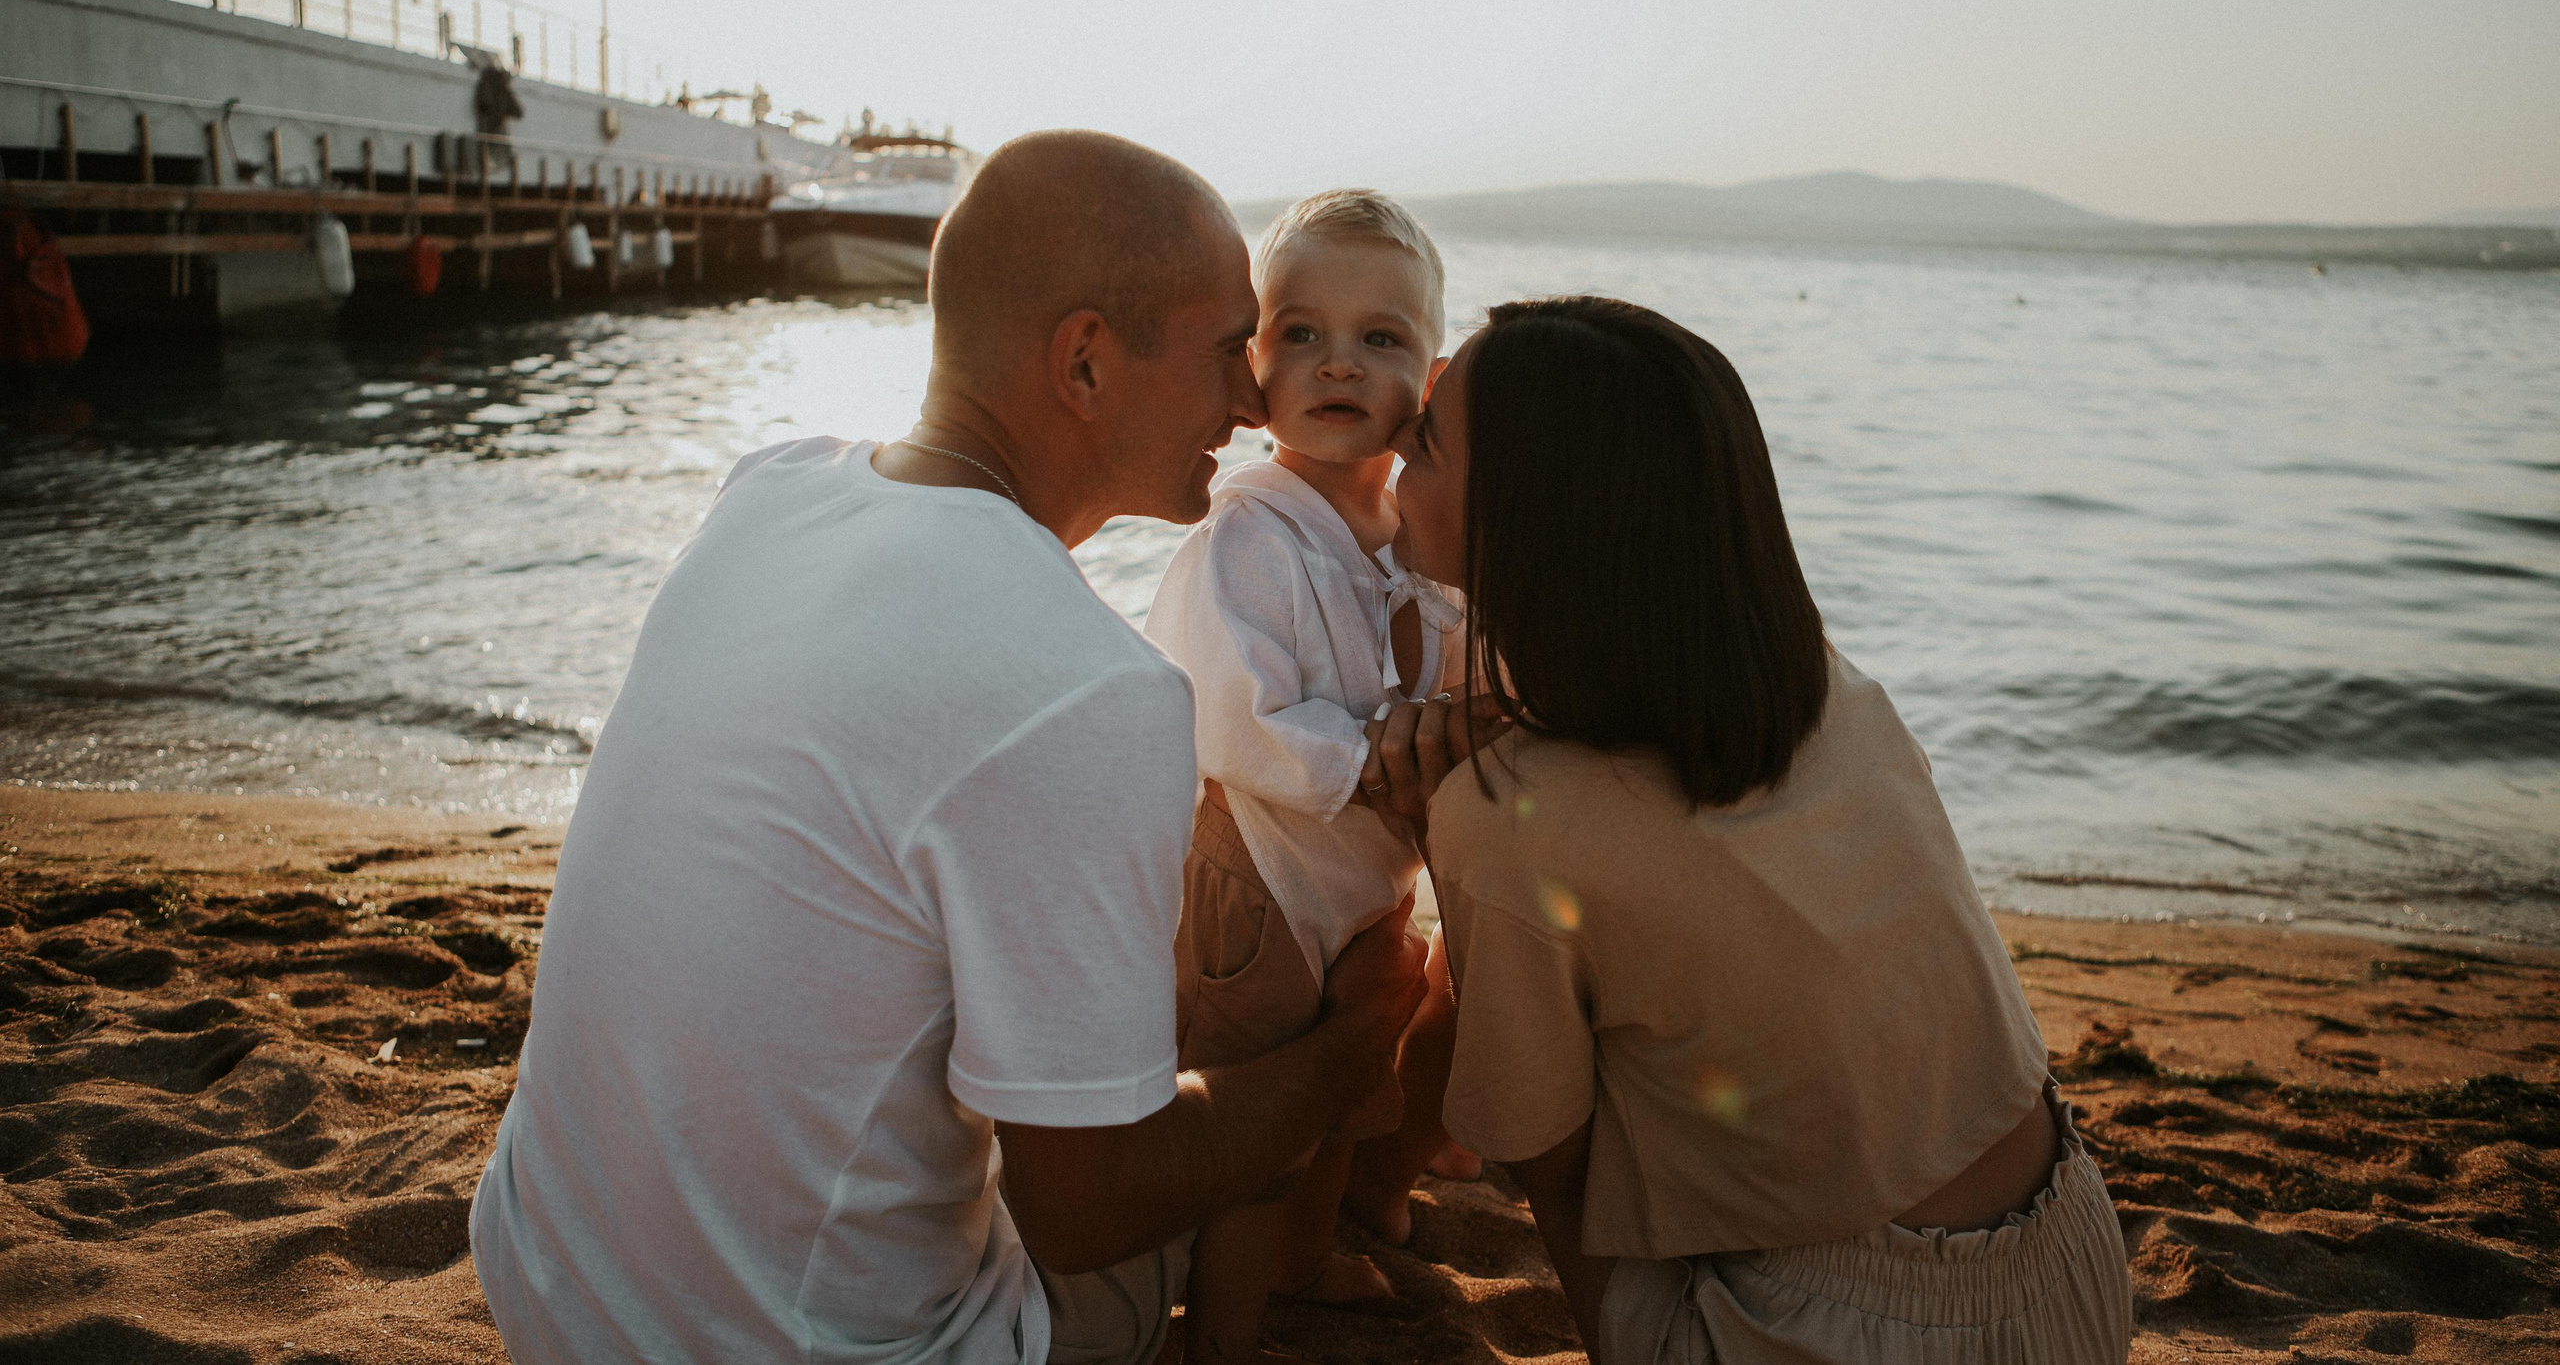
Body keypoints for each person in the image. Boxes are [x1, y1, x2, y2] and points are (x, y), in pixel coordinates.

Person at [468, 131, 1428, 1365]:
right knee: (1185, 1162)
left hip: (553, 1282)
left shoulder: (770, 491)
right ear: (1085, 360)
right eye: (1220, 350)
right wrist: (1346, 1054)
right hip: (793, 1348)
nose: (1254, 400)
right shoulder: (1091, 692)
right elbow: (1089, 1211)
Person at [1364, 295, 2136, 1364]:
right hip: (2070, 1271)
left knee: (1539, 1023)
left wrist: (1452, 842)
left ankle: (1351, 1195)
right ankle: (1364, 1195)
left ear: (1529, 521)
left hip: (1830, 1333)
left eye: (1428, 441)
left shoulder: (1506, 817)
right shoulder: (1829, 693)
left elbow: (1539, 1156)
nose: (1398, 437)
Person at [1143, 190, 1462, 1362]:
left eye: (1381, 338)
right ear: (1250, 364)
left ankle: (1310, 1255)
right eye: (1301, 335)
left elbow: (1446, 665)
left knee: (1344, 1089)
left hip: (1357, 878)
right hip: (1257, 877)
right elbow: (1231, 716)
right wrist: (1382, 765)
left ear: (1427, 375)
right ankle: (1221, 1331)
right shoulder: (1248, 532)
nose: (1339, 363)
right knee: (1259, 1125)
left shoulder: (1408, 530)